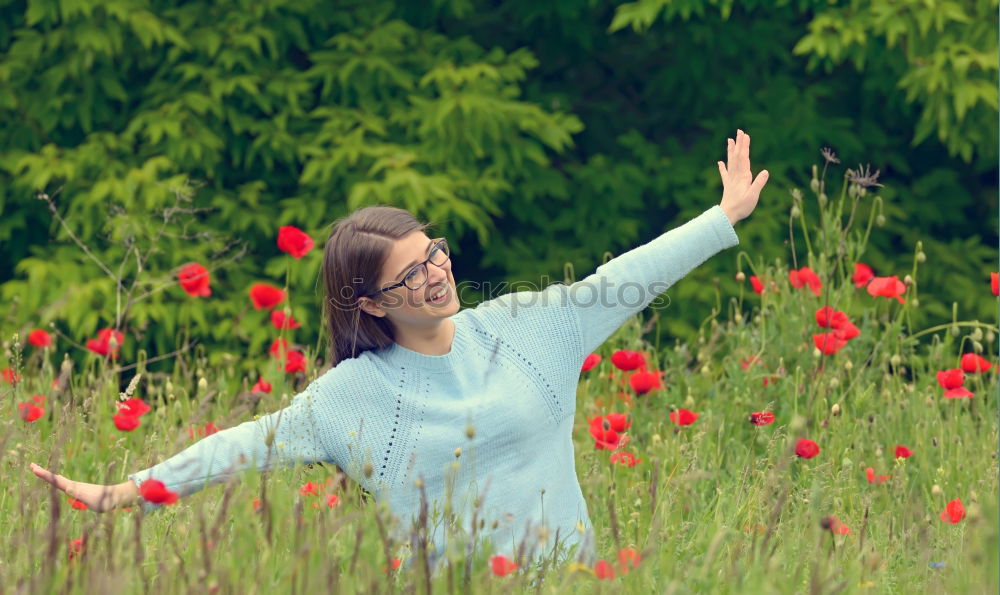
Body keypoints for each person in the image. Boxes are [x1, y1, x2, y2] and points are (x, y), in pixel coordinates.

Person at [30, 129, 768, 571]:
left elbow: (623, 280)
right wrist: (124, 491)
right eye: (411, 272)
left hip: (575, 579)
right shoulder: (349, 398)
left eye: (434, 252)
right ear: (373, 303)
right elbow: (240, 445)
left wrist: (722, 216)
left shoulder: (523, 328)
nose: (437, 271)